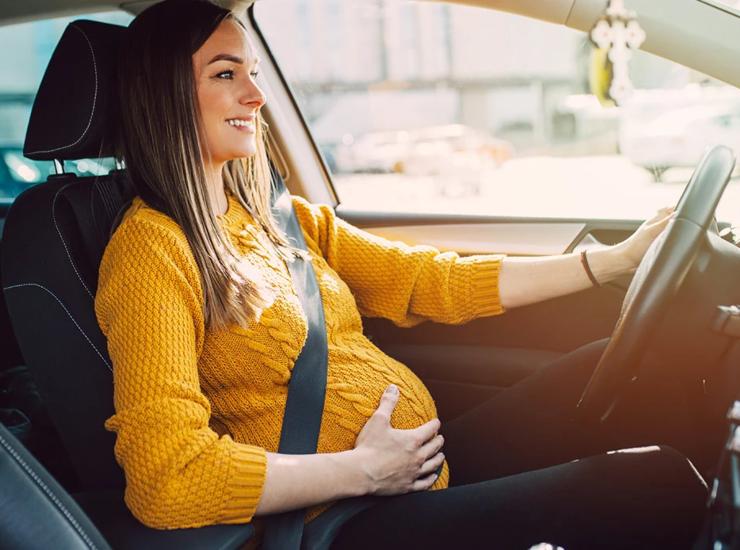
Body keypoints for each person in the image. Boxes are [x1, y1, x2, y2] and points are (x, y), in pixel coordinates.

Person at [94, 1, 707, 548]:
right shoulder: (151, 251)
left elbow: (426, 281)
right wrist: (362, 470)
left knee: (639, 367)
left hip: (410, 472)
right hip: (340, 520)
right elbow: (166, 479)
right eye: (226, 74)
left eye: (253, 72)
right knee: (651, 484)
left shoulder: (278, 217)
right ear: (165, 94)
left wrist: (612, 262)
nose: (256, 95)